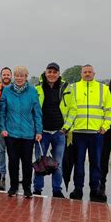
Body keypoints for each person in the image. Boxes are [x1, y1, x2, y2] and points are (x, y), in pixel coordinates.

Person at [69, 64, 111, 202]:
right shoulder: (73, 88)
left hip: (96, 133)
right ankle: (78, 189)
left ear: (94, 74)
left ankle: (95, 190)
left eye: (90, 72)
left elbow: (109, 110)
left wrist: (105, 126)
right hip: (78, 132)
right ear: (81, 74)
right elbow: (68, 110)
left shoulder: (104, 89)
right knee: (79, 163)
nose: (87, 74)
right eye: (85, 72)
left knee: (96, 162)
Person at [0, 66, 42, 198]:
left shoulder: (32, 91)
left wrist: (38, 131)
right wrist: (3, 128)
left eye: (21, 75)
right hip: (11, 133)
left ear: (26, 76)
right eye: (16, 75)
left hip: (28, 133)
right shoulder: (7, 91)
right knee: (13, 161)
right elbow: (2, 112)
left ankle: (27, 188)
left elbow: (37, 113)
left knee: (27, 162)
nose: (18, 78)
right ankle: (13, 187)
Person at [33, 62, 75, 198]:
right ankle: (37, 189)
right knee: (40, 162)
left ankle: (57, 190)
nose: (51, 74)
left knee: (58, 163)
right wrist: (36, 129)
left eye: (54, 72)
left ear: (58, 74)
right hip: (42, 132)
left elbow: (73, 110)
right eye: (49, 72)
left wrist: (66, 127)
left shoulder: (66, 88)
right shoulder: (37, 88)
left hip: (59, 132)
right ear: (45, 73)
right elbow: (33, 109)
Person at [0, 67, 12, 190]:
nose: (6, 76)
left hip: (13, 125)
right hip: (0, 125)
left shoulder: (14, 89)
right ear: (1, 76)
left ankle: (15, 175)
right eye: (4, 74)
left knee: (14, 152)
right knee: (1, 151)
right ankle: (2, 174)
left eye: (8, 74)